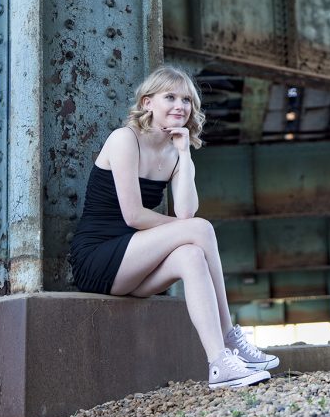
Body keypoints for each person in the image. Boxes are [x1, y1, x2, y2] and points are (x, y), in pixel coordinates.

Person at [69, 64, 278, 390]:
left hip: (133, 263)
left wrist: (184, 154)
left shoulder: (175, 151)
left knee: (192, 255)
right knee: (200, 230)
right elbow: (134, 217)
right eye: (170, 97)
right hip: (97, 257)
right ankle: (231, 335)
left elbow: (185, 211)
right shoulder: (124, 139)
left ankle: (219, 363)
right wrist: (190, 227)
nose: (180, 106)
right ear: (148, 102)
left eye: (187, 100)